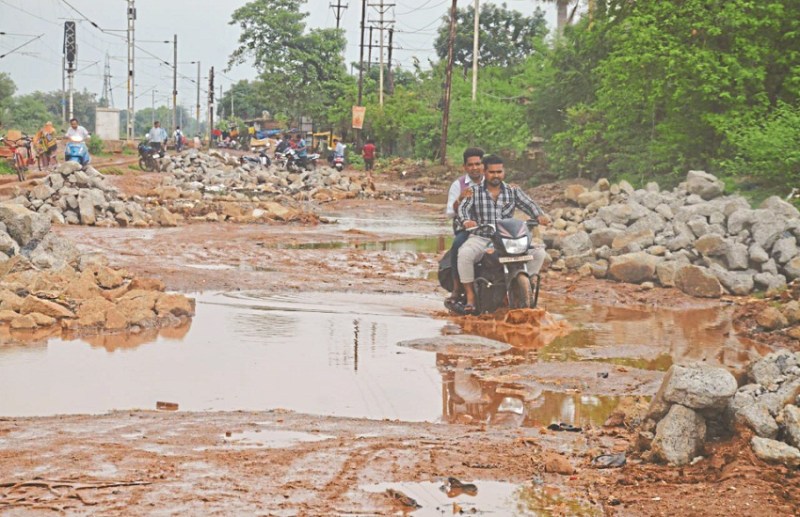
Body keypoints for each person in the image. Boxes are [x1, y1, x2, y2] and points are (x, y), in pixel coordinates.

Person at [457, 154, 550, 314]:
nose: (496, 175)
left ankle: (530, 281)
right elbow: (463, 208)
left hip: (508, 237)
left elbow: (529, 204)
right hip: (482, 237)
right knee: (464, 254)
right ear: (484, 172)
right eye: (492, 172)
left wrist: (540, 215)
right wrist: (467, 221)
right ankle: (471, 297)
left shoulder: (513, 191)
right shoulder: (473, 191)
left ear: (503, 172)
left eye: (499, 172)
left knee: (539, 253)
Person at [444, 147, 485, 307]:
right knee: (457, 247)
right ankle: (456, 287)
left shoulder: (491, 182)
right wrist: (460, 198)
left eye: (478, 164)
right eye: (471, 165)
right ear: (465, 167)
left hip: (488, 229)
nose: (475, 168)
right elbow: (449, 212)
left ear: (483, 165)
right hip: (465, 229)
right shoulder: (458, 185)